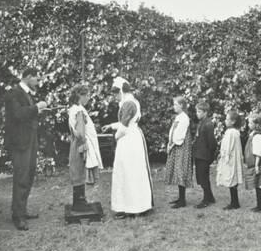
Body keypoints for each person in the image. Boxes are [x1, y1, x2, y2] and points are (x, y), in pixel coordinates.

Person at [4, 68, 47, 231]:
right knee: (22, 176)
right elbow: (18, 114)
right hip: (20, 142)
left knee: (29, 174)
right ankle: (18, 216)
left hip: (30, 140)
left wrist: (38, 110)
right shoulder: (14, 93)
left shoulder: (26, 93)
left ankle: (22, 210)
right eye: (36, 78)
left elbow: (26, 115)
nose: (38, 81)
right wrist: (37, 107)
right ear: (28, 77)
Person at [103, 77, 153, 219]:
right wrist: (112, 126)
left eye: (116, 93)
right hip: (133, 137)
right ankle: (137, 205)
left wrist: (115, 137)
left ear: (121, 91)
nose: (114, 96)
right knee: (133, 171)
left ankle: (133, 207)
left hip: (129, 140)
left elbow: (124, 128)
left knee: (129, 171)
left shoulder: (128, 104)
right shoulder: (130, 101)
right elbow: (126, 122)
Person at [67, 84, 103, 212]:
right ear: (80, 96)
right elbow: (81, 132)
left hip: (77, 143)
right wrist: (84, 148)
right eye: (87, 95)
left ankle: (80, 200)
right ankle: (79, 203)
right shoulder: (79, 111)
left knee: (78, 170)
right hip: (80, 144)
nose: (89, 97)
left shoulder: (74, 108)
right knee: (79, 171)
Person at [165, 96, 194, 209]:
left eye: (176, 104)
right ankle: (180, 197)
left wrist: (172, 144)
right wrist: (169, 143)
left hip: (181, 147)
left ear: (181, 105)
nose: (174, 107)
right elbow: (173, 131)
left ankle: (182, 200)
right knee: (177, 171)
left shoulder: (184, 118)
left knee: (180, 170)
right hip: (176, 146)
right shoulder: (178, 117)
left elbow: (180, 135)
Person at [216, 110, 244, 210]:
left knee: (231, 178)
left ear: (233, 121)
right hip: (232, 158)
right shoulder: (234, 132)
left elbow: (228, 147)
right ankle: (234, 201)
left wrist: (224, 156)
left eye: (227, 119)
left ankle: (234, 203)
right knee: (232, 179)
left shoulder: (231, 132)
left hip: (230, 159)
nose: (225, 121)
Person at [192, 101, 218, 208]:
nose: (197, 113)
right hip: (199, 155)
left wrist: (210, 156)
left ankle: (206, 200)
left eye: (199, 111)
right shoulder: (201, 123)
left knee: (203, 178)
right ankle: (210, 197)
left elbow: (212, 142)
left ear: (205, 112)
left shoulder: (208, 124)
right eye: (197, 111)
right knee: (201, 177)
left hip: (204, 156)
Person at [243, 113, 261, 212]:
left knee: (258, 185)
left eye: (250, 123)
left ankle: (260, 206)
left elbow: (258, 152)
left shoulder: (257, 136)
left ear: (256, 124)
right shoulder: (252, 134)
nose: (248, 124)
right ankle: (259, 205)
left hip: (256, 164)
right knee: (256, 184)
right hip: (253, 163)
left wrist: (257, 165)